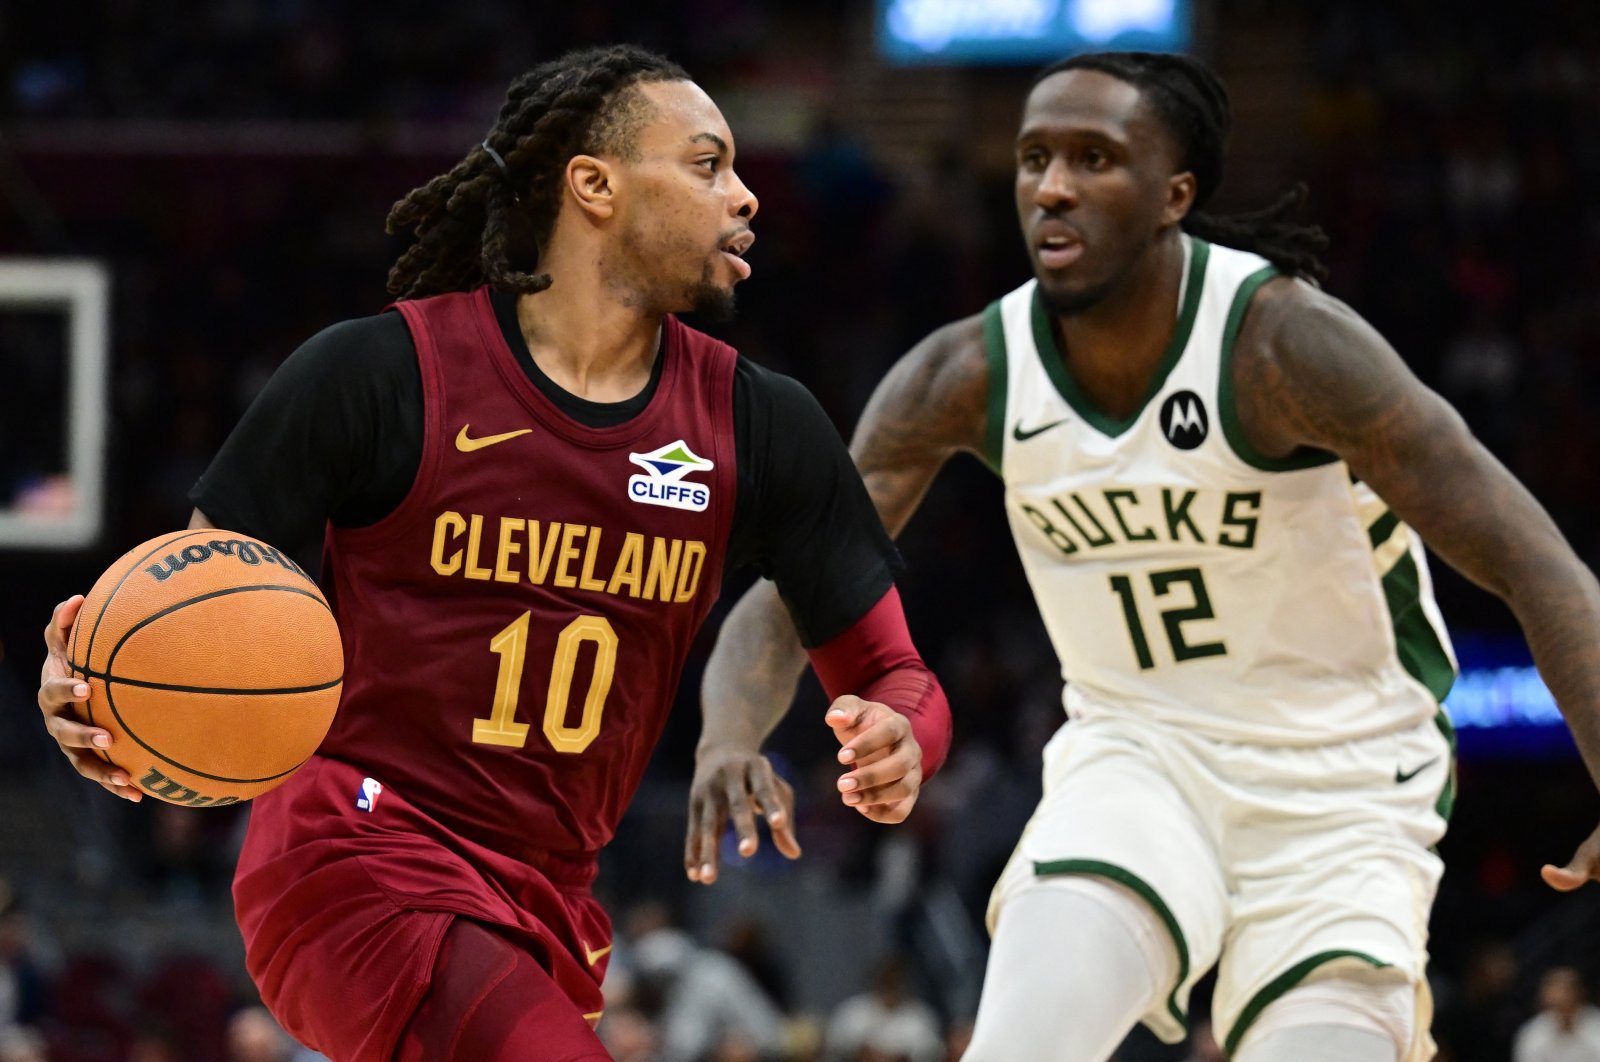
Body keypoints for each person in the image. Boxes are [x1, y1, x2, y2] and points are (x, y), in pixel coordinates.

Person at [35, 44, 950, 1061]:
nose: (744, 196)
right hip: (355, 853)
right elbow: (194, 606)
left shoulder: (759, 425)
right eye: (705, 164)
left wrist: (904, 735)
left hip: (544, 895)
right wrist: (95, 697)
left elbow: (894, 672)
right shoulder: (381, 374)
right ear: (593, 186)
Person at [698, 50, 1600, 1062]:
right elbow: (799, 581)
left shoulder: (1284, 347)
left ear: (1175, 193)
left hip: (1341, 781)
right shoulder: (965, 373)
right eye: (1034, 157)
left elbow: (1537, 564)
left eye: (1094, 158)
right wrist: (728, 735)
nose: (1051, 185)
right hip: (1138, 755)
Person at [1512, 966, 1600, 1062]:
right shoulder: (1532, 1032)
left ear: (1580, 993)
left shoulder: (1596, 1024)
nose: (1559, 996)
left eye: (1566, 989)